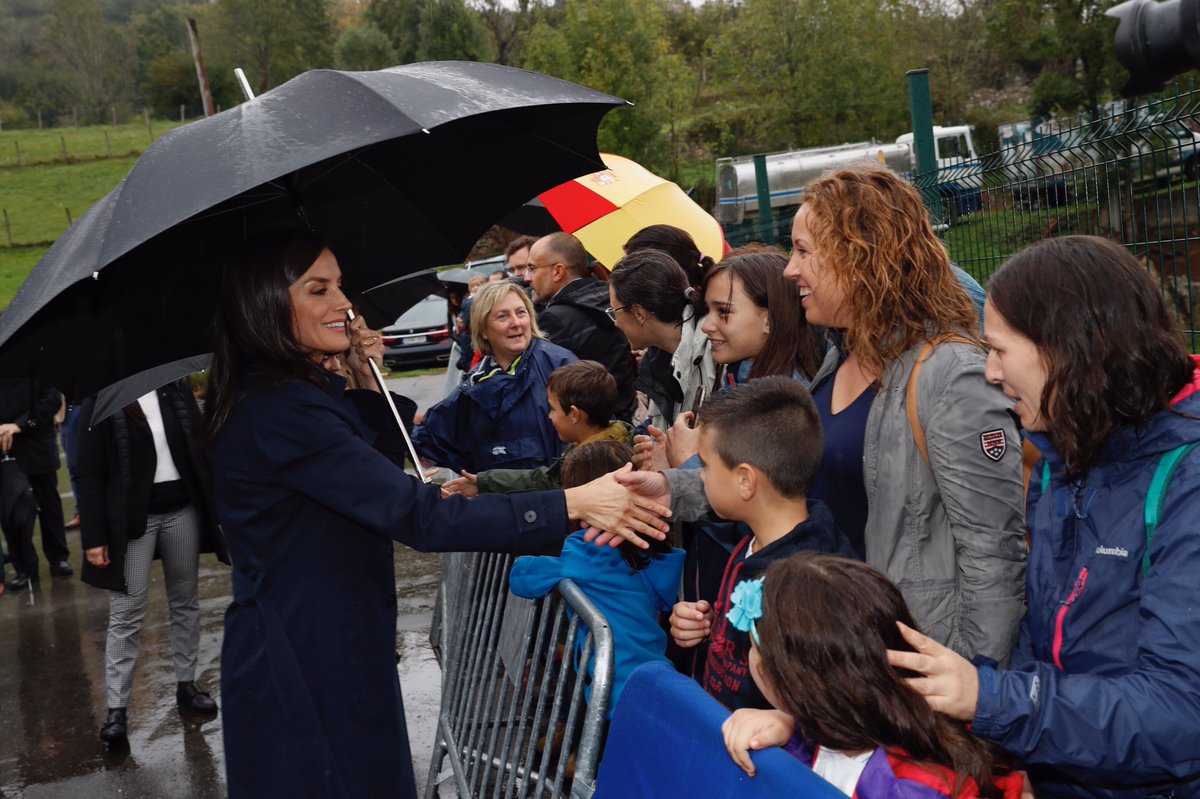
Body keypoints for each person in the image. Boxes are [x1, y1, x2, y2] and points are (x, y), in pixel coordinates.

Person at [203, 229, 670, 799]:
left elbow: (370, 479)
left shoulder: (297, 393)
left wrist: (356, 374)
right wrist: (572, 502)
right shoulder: (280, 408)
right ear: (265, 306)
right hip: (304, 655)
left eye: (340, 287)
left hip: (335, 638)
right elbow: (416, 515)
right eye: (318, 290)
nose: (344, 305)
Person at [645, 163, 1026, 665]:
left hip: (907, 659)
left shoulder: (951, 376)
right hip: (836, 653)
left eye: (804, 251)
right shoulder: (841, 355)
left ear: (860, 256)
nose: (790, 269)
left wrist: (972, 690)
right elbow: (791, 482)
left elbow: (994, 551)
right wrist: (674, 490)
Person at [888, 235, 1200, 798]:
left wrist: (996, 701)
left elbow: (1182, 714)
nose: (989, 372)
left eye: (1001, 350)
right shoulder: (1067, 451)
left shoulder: (1185, 479)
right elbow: (1046, 633)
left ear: (1068, 351)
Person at [721, 555, 1021, 799]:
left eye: (753, 647)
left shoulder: (913, 789)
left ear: (791, 683)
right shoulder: (837, 729)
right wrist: (792, 731)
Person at [668, 377, 851, 710]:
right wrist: (707, 627)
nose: (700, 475)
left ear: (745, 481)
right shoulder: (753, 541)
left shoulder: (806, 588)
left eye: (706, 465)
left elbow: (816, 705)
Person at [76, 382, 230, 743]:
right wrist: (94, 537)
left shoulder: (172, 390)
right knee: (127, 613)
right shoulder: (102, 397)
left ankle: (186, 684)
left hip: (181, 511)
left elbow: (201, 449)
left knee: (185, 602)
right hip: (131, 523)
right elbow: (88, 471)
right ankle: (117, 710)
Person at [509, 439, 684, 715]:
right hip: (656, 677)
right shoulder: (649, 548)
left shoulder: (587, 549)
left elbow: (521, 578)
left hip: (614, 690)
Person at [634, 247, 825, 471]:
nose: (706, 326)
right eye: (708, 310)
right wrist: (667, 457)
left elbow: (755, 495)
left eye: (723, 312)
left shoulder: (784, 408)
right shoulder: (741, 382)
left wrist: (686, 461)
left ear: (769, 320)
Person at [412, 280, 577, 474]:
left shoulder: (560, 364)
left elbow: (597, 435)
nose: (516, 323)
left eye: (521, 312)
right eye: (503, 316)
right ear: (483, 329)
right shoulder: (474, 384)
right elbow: (425, 439)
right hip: (504, 502)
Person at [441, 360, 633, 496]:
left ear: (574, 414)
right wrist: (484, 482)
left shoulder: (590, 466)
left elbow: (548, 484)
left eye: (552, 408)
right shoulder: (618, 440)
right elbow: (545, 480)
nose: (549, 416)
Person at [525, 232, 638, 420]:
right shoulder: (606, 297)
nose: (527, 278)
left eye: (532, 268)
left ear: (558, 271)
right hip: (624, 415)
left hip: (589, 424)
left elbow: (549, 387)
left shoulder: (555, 319)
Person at [607, 249, 717, 433]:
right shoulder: (655, 362)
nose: (616, 323)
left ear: (639, 314)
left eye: (614, 311)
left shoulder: (715, 348)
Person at [0, 377, 71, 587]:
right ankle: (23, 568)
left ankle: (58, 558)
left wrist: (19, 426)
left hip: (37, 446)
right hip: (5, 451)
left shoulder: (36, 364)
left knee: (49, 506)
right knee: (12, 514)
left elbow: (52, 401)